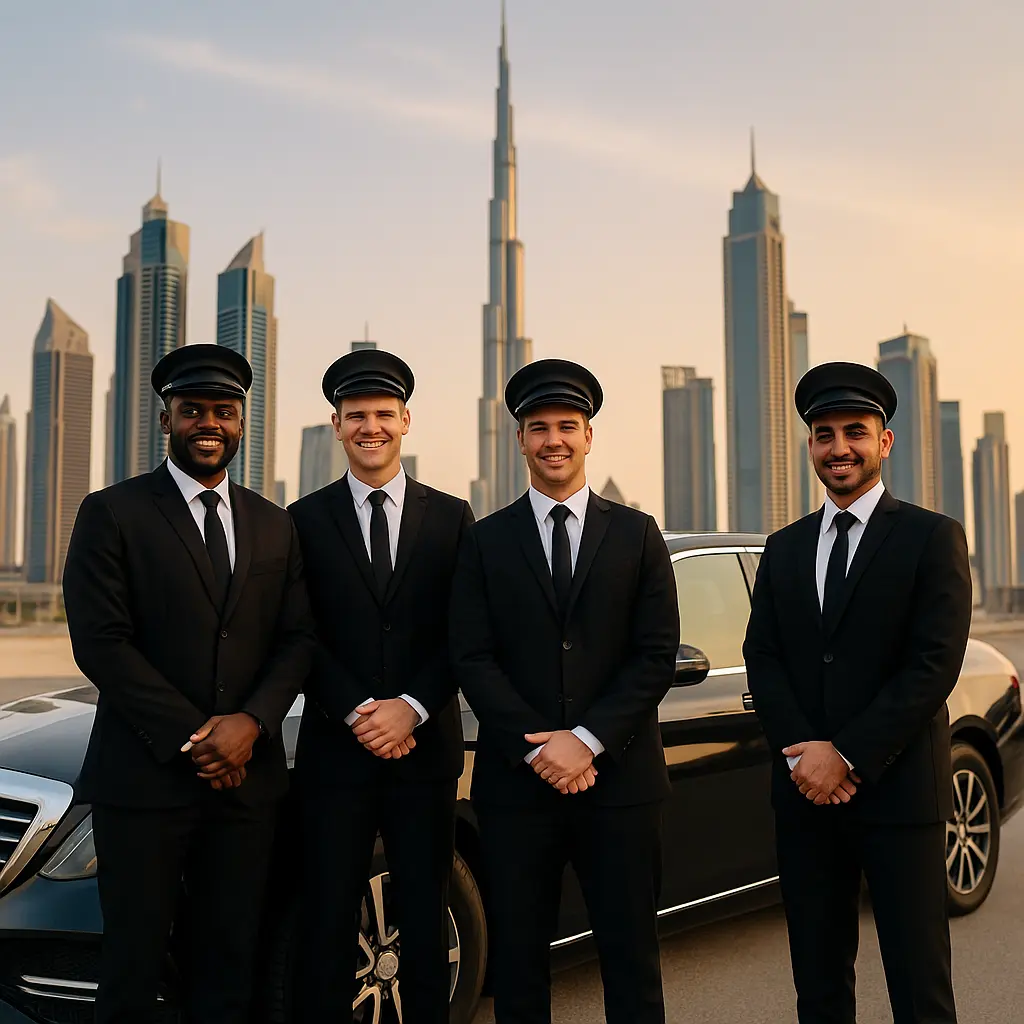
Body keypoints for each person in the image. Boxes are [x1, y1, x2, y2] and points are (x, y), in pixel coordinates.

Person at [61, 344, 315, 1024]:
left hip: (248, 784)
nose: (209, 423)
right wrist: (197, 737)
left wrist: (251, 724)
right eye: (192, 409)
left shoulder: (274, 523)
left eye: (224, 411)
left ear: (241, 422)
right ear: (166, 419)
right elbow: (101, 642)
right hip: (142, 780)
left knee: (230, 962)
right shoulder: (111, 513)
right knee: (132, 968)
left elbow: (298, 639)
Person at [449, 358, 679, 1024]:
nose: (554, 439)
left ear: (588, 436)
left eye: (568, 426)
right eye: (539, 427)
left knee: (631, 960)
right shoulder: (485, 541)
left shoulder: (638, 535)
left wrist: (586, 741)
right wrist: (539, 748)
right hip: (518, 791)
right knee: (519, 965)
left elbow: (655, 654)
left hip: (622, 784)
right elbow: (472, 656)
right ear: (519, 439)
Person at [743, 361, 972, 1024]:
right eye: (823, 433)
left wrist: (843, 754)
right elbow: (764, 656)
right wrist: (801, 756)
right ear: (810, 446)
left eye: (854, 431)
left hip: (899, 792)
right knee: (817, 984)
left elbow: (932, 666)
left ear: (884, 442)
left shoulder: (933, 537)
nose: (838, 446)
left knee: (919, 983)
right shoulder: (783, 549)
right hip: (806, 797)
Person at [289, 349, 473, 1022]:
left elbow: (466, 633)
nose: (371, 427)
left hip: (425, 755)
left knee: (425, 918)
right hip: (336, 755)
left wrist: (413, 709)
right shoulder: (302, 520)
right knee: (327, 918)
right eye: (356, 416)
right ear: (336, 425)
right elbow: (298, 632)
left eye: (384, 415)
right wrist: (361, 711)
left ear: (406, 422)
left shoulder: (453, 517)